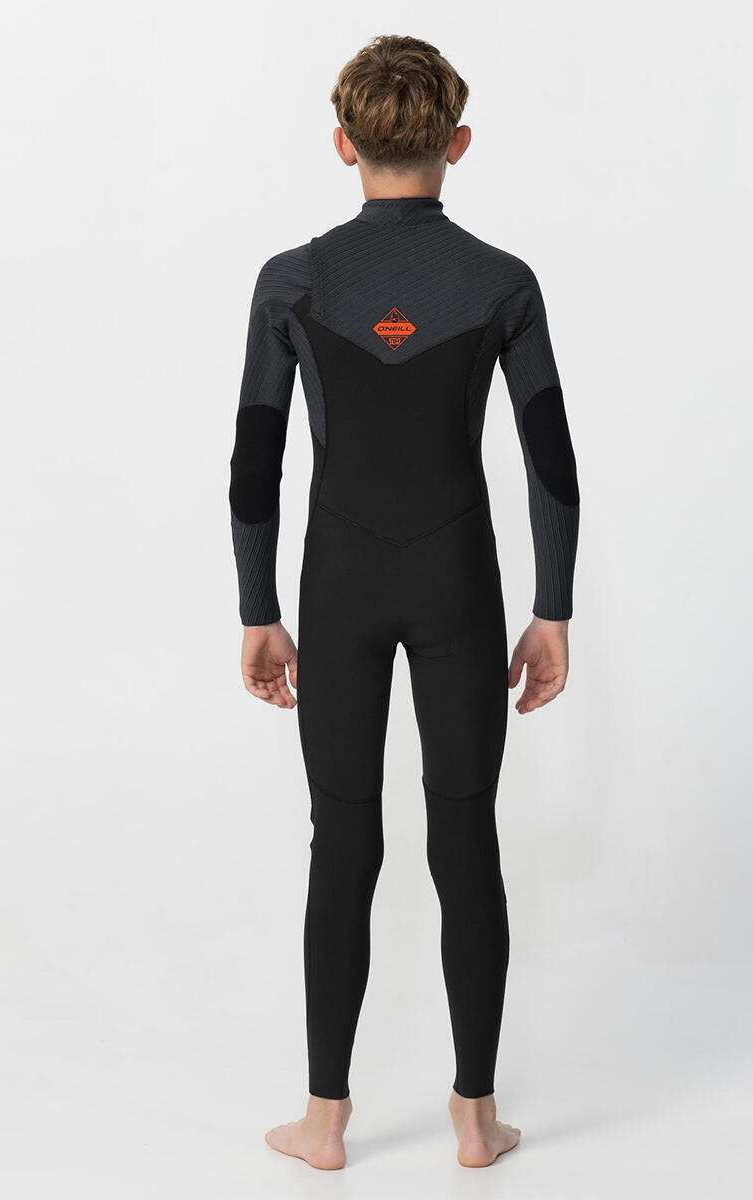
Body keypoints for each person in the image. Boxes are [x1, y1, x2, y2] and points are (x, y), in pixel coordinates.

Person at [228, 34, 580, 1170]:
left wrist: (258, 609)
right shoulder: (501, 283)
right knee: (466, 836)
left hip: (336, 584)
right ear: (457, 145)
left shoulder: (293, 281)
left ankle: (325, 1122)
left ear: (343, 145)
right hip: (457, 585)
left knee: (343, 838)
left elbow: (255, 460)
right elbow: (551, 460)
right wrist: (554, 608)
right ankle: (475, 1119)